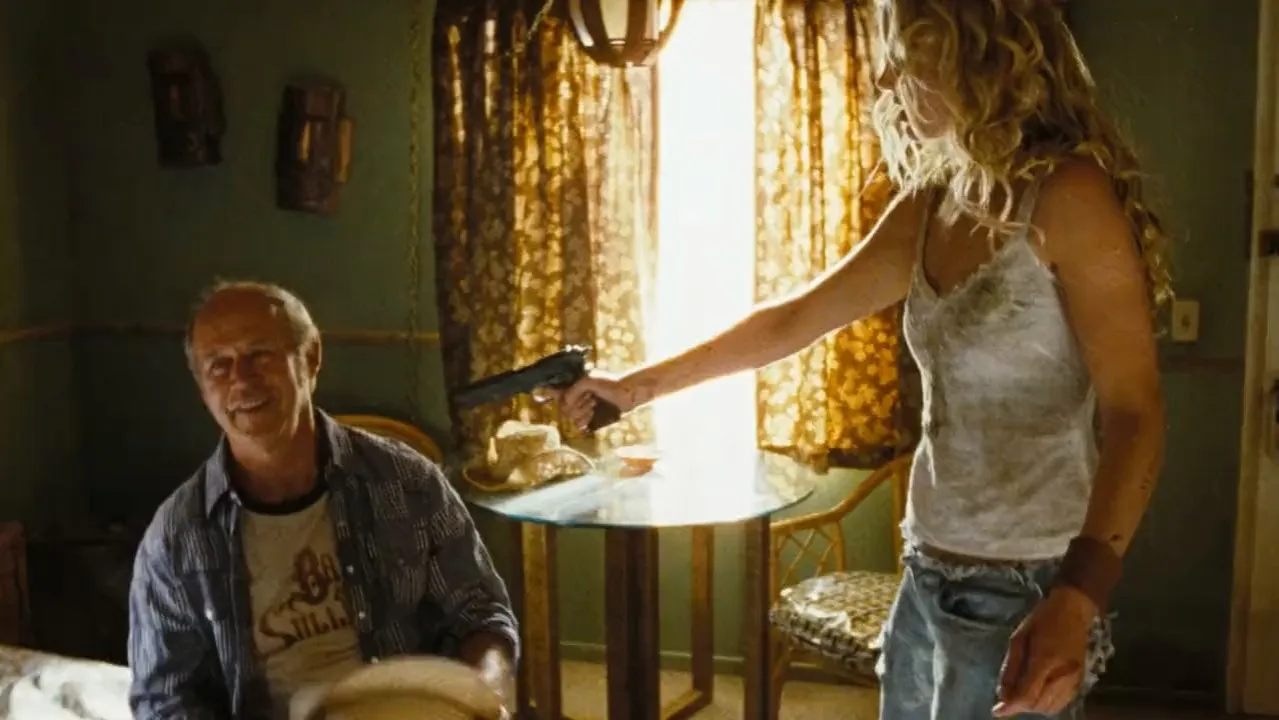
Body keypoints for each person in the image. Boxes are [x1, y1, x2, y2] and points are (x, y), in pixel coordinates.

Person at [554, 1, 1166, 718]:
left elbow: (1136, 413)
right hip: (925, 569)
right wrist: (635, 388)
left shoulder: (1067, 197)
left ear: (980, 61)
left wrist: (1079, 595)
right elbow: (793, 320)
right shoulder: (934, 202)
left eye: (905, 62)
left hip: (1029, 585)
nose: (884, 83)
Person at [127, 280, 519, 720]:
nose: (242, 379)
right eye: (219, 365)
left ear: (311, 357)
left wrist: (485, 691)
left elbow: (481, 614)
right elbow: (165, 700)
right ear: (202, 388)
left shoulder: (407, 482)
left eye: (260, 354)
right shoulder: (175, 539)